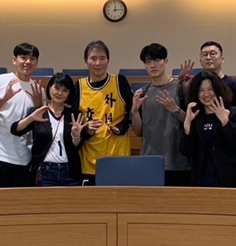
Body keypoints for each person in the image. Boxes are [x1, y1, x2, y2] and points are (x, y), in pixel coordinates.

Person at [0, 43, 45, 187]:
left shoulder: (38, 90)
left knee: (19, 200)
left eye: (32, 58)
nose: (27, 62)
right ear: (14, 60)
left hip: (24, 157)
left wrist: (38, 104)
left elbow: (39, 126)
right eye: (23, 57)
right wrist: (4, 98)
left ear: (36, 63)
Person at [69, 40, 133, 184]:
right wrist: (86, 131)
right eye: (93, 58)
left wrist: (121, 128)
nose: (98, 63)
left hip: (118, 155)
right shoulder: (79, 86)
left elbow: (132, 111)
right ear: (86, 62)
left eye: (102, 58)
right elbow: (73, 121)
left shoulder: (119, 81)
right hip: (88, 158)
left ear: (108, 61)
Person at [10, 73, 87, 186]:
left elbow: (77, 146)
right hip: (45, 171)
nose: (60, 93)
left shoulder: (74, 114)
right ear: (49, 88)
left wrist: (75, 135)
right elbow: (15, 130)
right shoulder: (39, 112)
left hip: (70, 171)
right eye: (57, 88)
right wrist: (31, 118)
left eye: (65, 90)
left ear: (69, 94)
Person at [131, 43, 191, 186]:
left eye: (157, 60)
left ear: (166, 61)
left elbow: (191, 123)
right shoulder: (142, 93)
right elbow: (138, 132)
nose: (152, 65)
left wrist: (175, 109)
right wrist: (134, 111)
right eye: (147, 62)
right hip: (149, 161)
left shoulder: (182, 88)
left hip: (178, 162)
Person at [181, 71, 236, 187]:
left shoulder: (233, 112)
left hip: (228, 177)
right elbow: (186, 151)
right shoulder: (195, 116)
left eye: (210, 89)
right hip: (201, 178)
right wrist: (187, 125)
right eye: (201, 90)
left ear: (218, 90)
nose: (206, 94)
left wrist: (225, 122)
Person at [196, 41, 236, 111]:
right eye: (204, 54)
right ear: (200, 61)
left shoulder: (234, 84)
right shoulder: (196, 84)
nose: (208, 58)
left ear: (222, 59)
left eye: (212, 54)